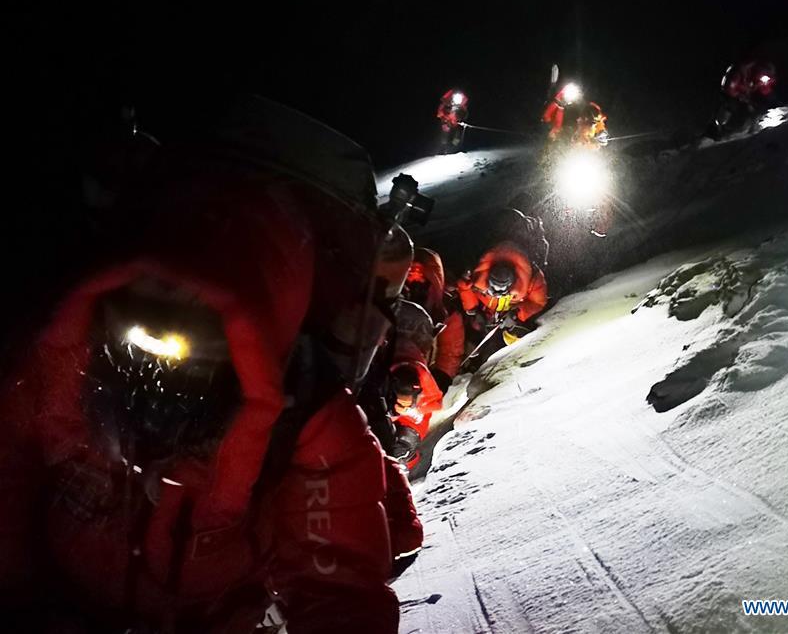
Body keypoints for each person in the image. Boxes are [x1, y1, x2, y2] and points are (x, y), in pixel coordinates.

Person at [0, 100, 417, 633]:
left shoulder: (306, 418)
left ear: (258, 314)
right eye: (156, 288)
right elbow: (7, 477)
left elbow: (336, 585)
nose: (170, 317)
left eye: (205, 305)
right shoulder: (65, 359)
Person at [456, 241, 548, 368]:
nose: (497, 293)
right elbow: (464, 287)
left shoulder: (533, 278)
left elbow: (538, 302)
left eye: (502, 290)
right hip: (487, 315)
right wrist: (473, 311)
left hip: (510, 321)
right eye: (493, 288)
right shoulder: (475, 273)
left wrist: (517, 314)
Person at [402, 247, 465, 393]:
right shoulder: (390, 299)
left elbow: (451, 350)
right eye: (411, 273)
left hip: (423, 369)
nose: (415, 276)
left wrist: (442, 377)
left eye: (421, 274)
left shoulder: (445, 312)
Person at [435, 89, 469, 154]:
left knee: (458, 136)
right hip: (446, 122)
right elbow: (440, 113)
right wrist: (445, 120)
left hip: (456, 123)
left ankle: (455, 148)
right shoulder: (446, 104)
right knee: (445, 133)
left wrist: (461, 120)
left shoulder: (462, 106)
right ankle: (443, 149)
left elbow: (465, 114)